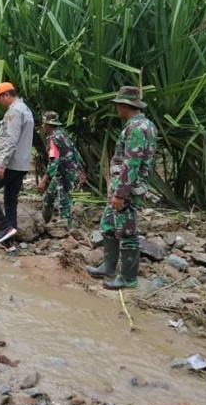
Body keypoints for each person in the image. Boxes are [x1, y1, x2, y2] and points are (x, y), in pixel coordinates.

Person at [87, 86, 157, 290]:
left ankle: (128, 278)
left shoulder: (137, 128)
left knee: (127, 232)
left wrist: (120, 194)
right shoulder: (142, 125)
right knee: (108, 226)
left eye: (118, 104)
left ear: (125, 105)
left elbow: (132, 163)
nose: (117, 108)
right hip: (121, 188)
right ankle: (108, 267)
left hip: (126, 190)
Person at [0, 82, 34, 251]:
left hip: (10, 162)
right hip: (22, 164)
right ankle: (9, 243)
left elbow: (11, 139)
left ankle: (5, 227)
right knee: (10, 201)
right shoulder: (26, 110)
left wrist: (1, 164)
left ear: (6, 95)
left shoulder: (14, 112)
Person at [37, 111, 85, 228]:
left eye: (43, 124)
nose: (43, 126)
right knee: (49, 197)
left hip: (64, 174)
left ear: (47, 125)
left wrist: (44, 180)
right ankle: (44, 223)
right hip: (66, 172)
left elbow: (54, 161)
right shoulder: (63, 133)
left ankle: (67, 230)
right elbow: (75, 152)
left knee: (64, 203)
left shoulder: (54, 138)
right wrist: (80, 169)